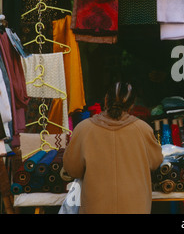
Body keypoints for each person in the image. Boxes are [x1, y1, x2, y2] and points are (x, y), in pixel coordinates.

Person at [63, 82, 163, 214]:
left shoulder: (84, 129)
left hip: (96, 207)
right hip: (135, 207)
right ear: (132, 105)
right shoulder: (143, 129)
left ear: (105, 100)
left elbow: (73, 170)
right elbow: (156, 162)